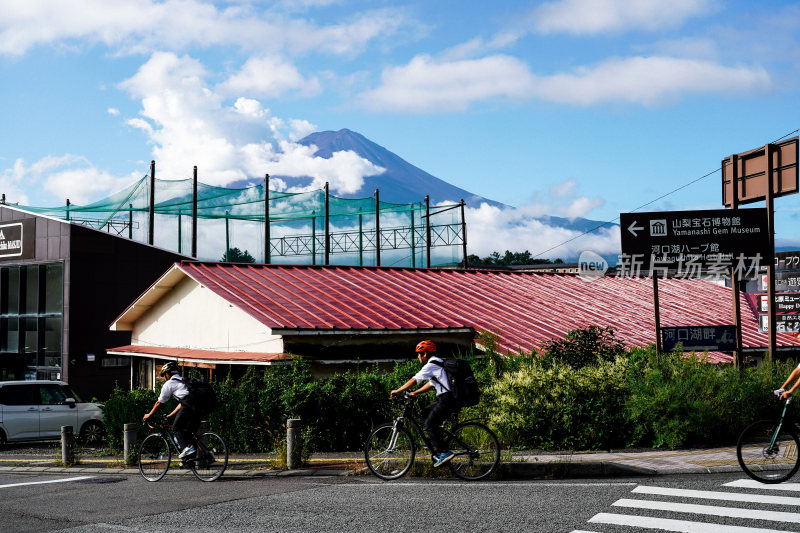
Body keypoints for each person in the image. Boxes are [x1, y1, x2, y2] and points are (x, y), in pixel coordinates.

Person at [390, 340, 457, 467]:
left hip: (446, 399)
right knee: (426, 413)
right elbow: (432, 384)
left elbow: (415, 380)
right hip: (446, 398)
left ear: (425, 354)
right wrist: (415, 393)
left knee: (429, 425)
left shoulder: (431, 365)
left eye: (419, 354)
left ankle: (444, 452)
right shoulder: (439, 362)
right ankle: (436, 442)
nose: (418, 357)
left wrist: (398, 391)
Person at [142, 361, 200, 459]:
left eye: (165, 375)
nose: (165, 377)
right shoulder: (184, 380)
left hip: (189, 406)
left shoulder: (170, 383)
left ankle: (188, 451)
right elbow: (183, 403)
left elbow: (160, 403)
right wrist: (170, 415)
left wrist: (149, 414)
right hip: (198, 406)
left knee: (176, 428)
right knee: (187, 433)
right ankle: (201, 456)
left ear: (167, 374)